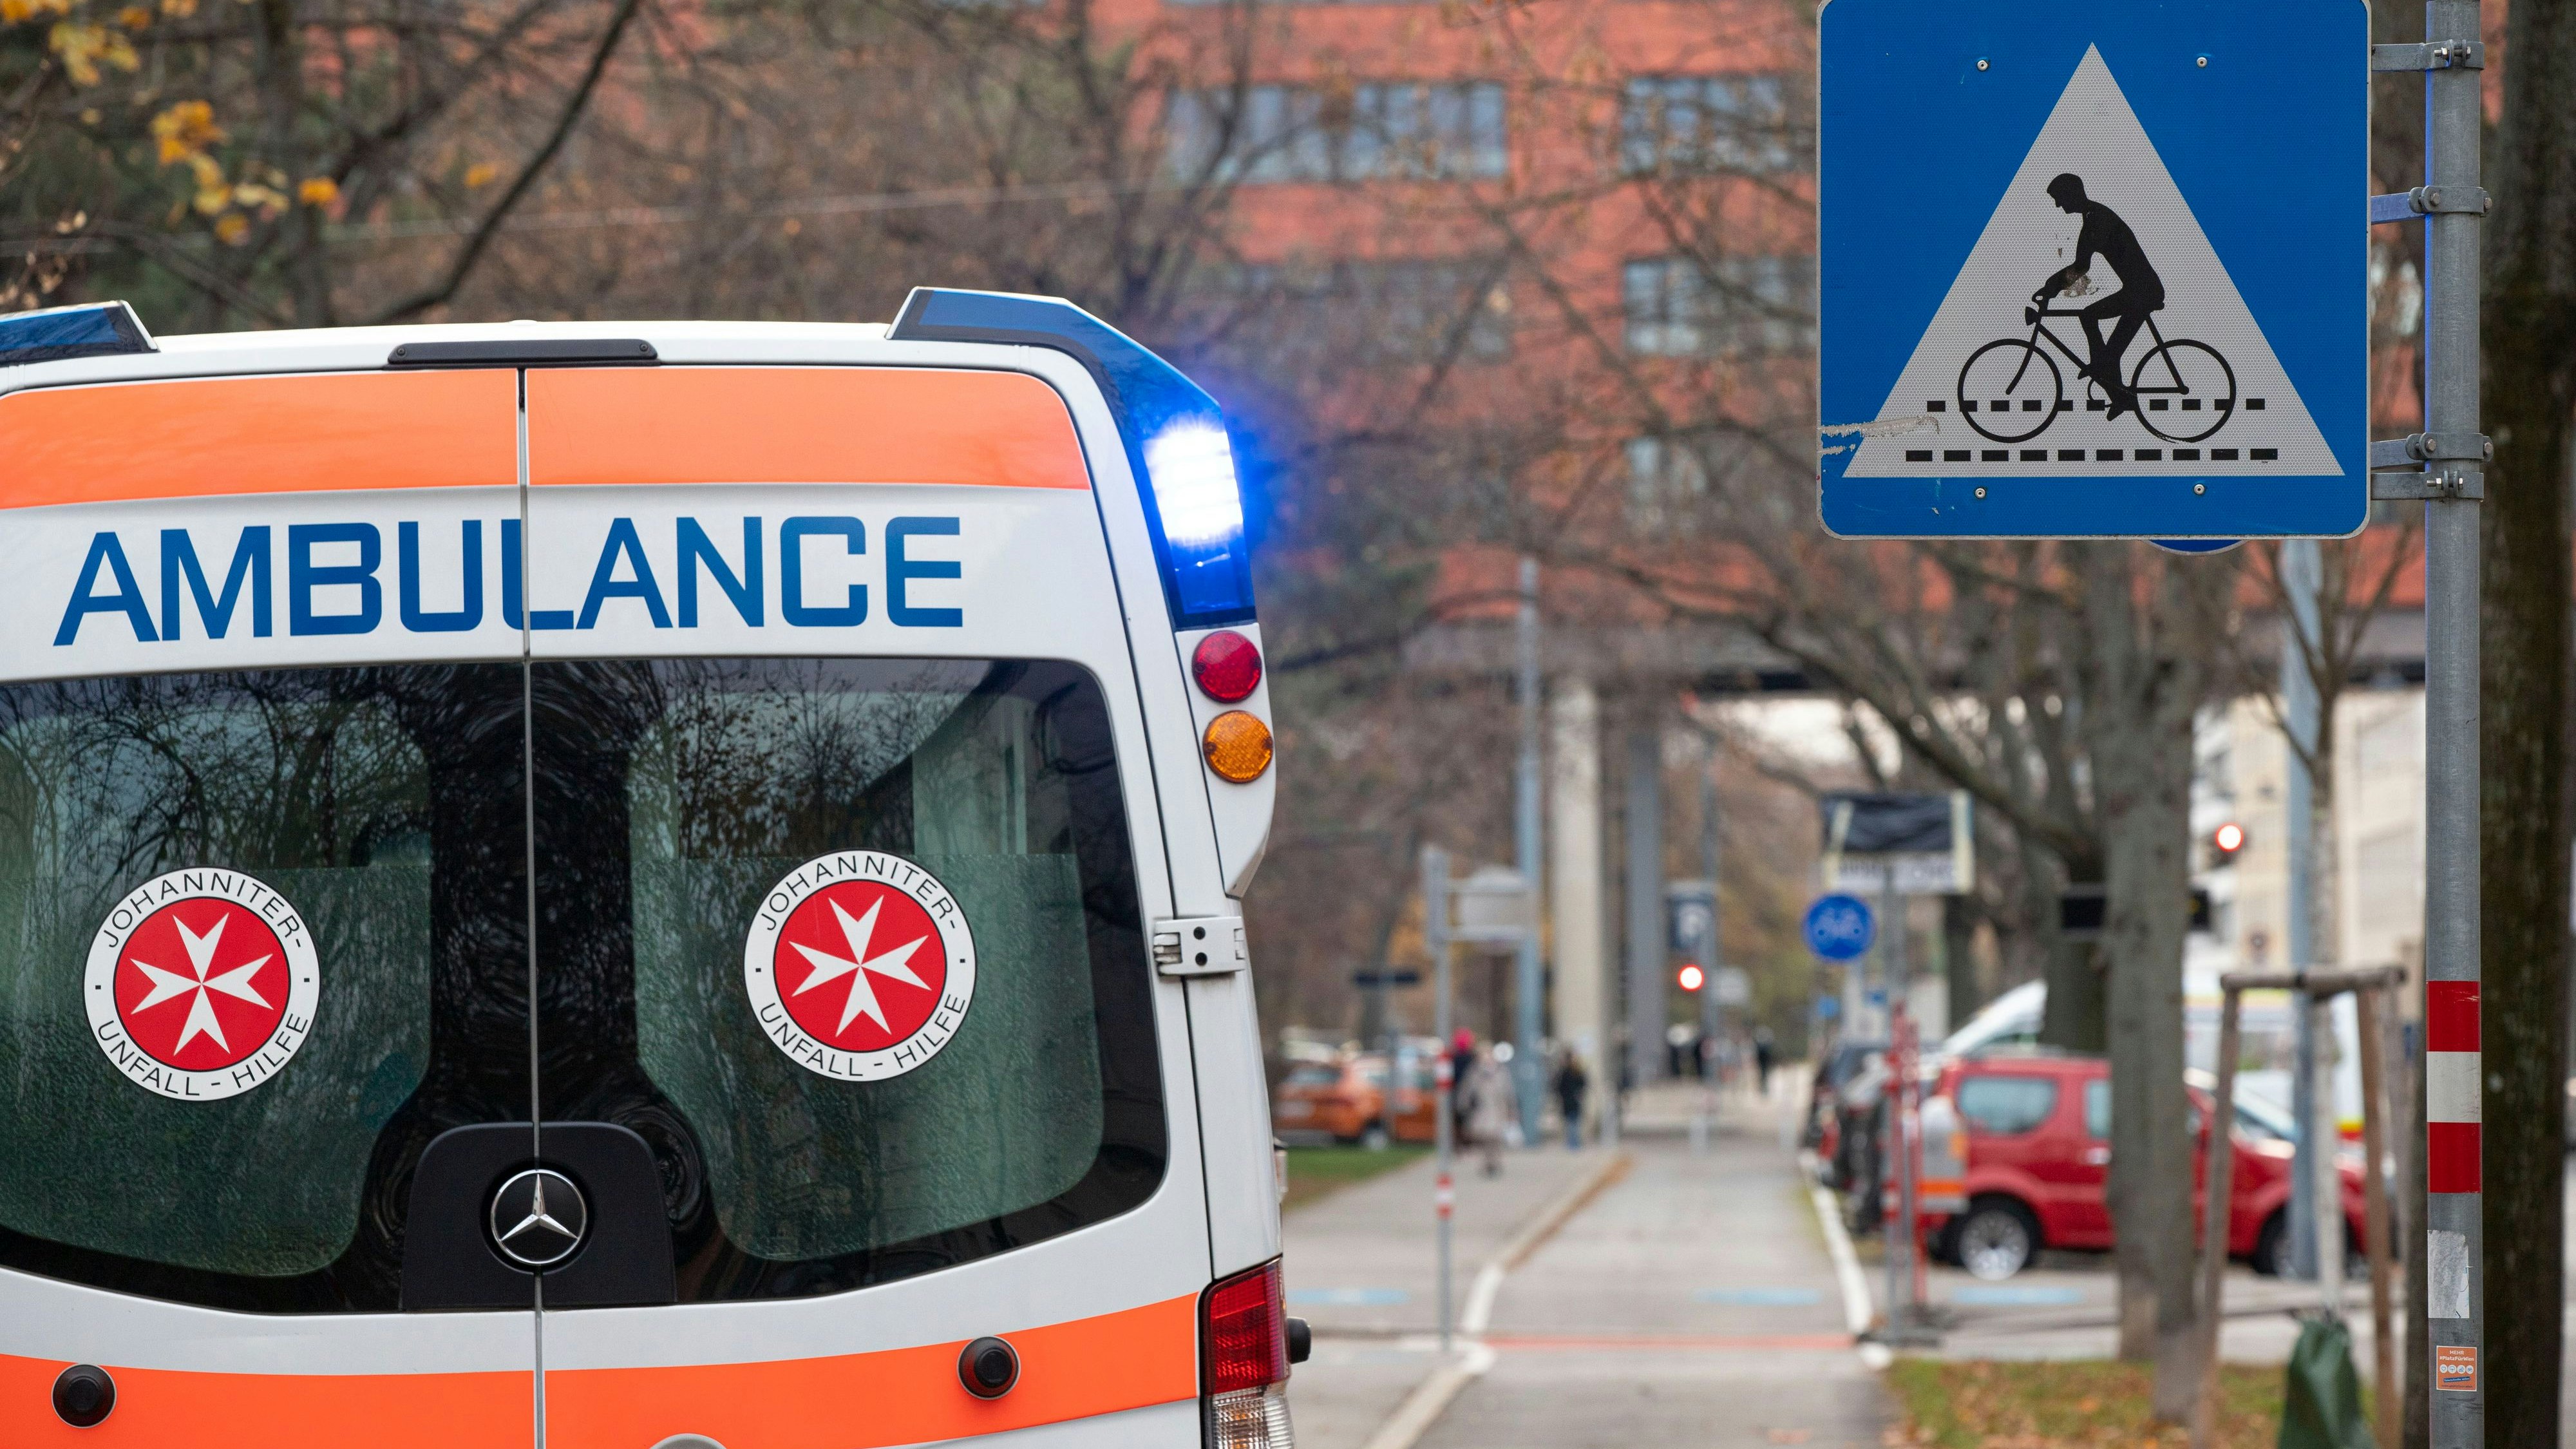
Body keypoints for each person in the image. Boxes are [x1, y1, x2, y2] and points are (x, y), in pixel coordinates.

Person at [2032, 173, 2165, 422]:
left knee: (2093, 324)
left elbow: (2081, 267)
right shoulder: (2092, 217)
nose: (2059, 206)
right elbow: (2081, 265)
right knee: (2096, 330)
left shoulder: (2097, 219)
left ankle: (2101, 368)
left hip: (2143, 292)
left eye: (2060, 199)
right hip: (2138, 289)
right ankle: (2117, 393)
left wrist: (2051, 287)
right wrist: (2051, 286)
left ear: (2073, 193)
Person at [1465, 1046, 1515, 1177]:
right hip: (1482, 1112)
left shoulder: (1502, 1073)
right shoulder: (1475, 1073)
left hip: (1498, 1111)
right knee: (1484, 1139)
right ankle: (1487, 1164)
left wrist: (1511, 1110)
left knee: (1495, 1139)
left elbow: (1508, 1093)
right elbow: (1468, 1091)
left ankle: (1495, 1164)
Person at [1553, 1048, 1589, 1150]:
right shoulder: (1564, 1072)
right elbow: (1559, 1087)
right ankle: (1573, 1143)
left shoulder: (1576, 1072)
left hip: (1573, 1101)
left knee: (1573, 1123)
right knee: (1571, 1123)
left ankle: (1574, 1143)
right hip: (1569, 1102)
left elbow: (1583, 1084)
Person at [1753, 1026, 1776, 1096]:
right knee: (1762, 1075)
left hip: (1765, 1063)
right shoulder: (1760, 1046)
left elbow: (1768, 1056)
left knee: (1765, 1075)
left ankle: (1765, 1089)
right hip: (1762, 1063)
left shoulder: (1765, 1046)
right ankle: (1762, 1089)